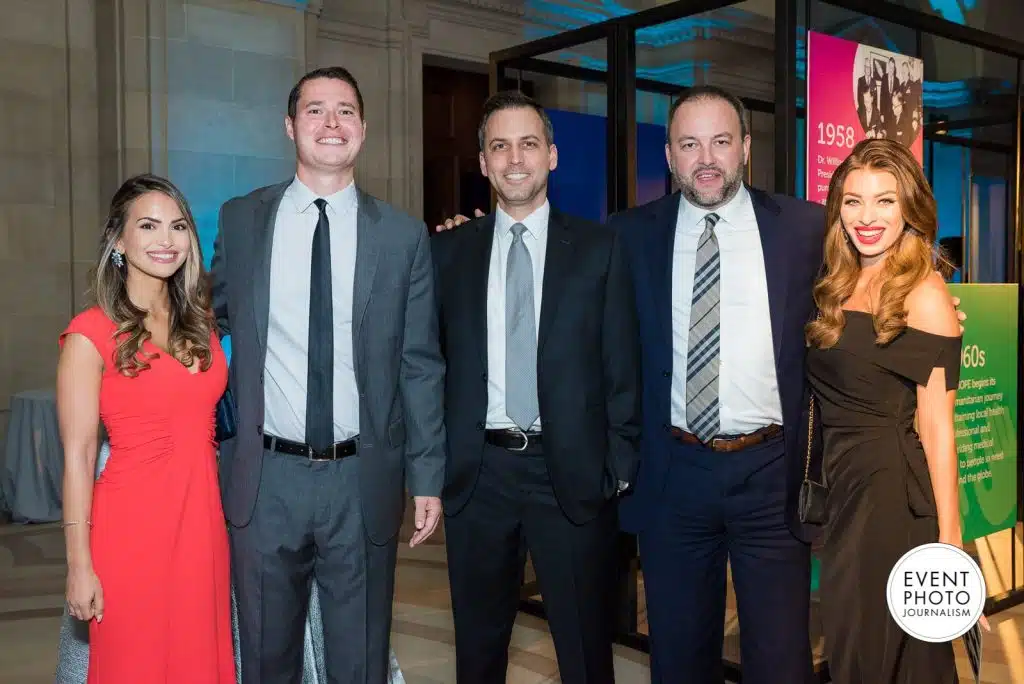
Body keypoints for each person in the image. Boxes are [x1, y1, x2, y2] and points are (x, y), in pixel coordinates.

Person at [211, 66, 446, 683]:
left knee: (360, 663)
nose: (331, 123)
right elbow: (205, 324)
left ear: (363, 130)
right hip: (265, 482)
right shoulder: (241, 221)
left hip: (360, 479)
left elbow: (419, 363)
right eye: (315, 110)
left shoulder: (402, 236)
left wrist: (426, 476)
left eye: (345, 110)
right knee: (266, 660)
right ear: (290, 126)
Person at [608, 86, 822, 684]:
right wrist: (472, 237)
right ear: (670, 155)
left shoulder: (805, 229)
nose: (706, 158)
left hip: (771, 475)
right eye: (690, 143)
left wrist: (930, 303)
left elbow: (864, 298)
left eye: (721, 141)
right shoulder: (627, 236)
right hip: (674, 474)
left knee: (781, 661)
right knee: (677, 658)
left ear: (746, 148)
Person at [431, 90, 641, 684]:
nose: (514, 158)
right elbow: (427, 364)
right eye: (500, 146)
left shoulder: (600, 248)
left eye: (528, 144)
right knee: (477, 651)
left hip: (569, 475)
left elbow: (622, 364)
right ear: (483, 162)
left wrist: (616, 467)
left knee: (584, 652)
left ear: (551, 155)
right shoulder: (447, 251)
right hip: (478, 476)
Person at [805, 138, 977, 683]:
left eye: (885, 200)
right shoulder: (834, 284)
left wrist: (950, 542)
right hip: (843, 489)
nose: (867, 217)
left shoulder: (924, 293)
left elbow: (937, 426)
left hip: (892, 499)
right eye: (853, 201)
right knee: (855, 640)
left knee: (889, 651)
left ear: (910, 207)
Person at [57, 174, 235, 683]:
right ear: (119, 239)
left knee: (198, 662)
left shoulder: (199, 322)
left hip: (203, 525)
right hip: (131, 531)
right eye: (149, 225)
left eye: (178, 226)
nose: (166, 239)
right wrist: (78, 564)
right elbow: (78, 455)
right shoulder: (89, 332)